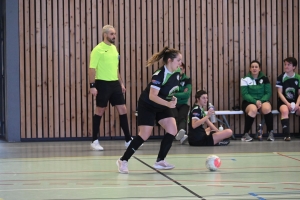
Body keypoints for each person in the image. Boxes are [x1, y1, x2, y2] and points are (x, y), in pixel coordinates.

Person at [116, 47, 182, 174]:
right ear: (169, 60)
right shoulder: (159, 75)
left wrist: (173, 99)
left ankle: (160, 161)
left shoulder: (177, 73)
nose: (180, 63)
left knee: (172, 129)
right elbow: (152, 96)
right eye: (178, 60)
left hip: (163, 105)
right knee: (144, 134)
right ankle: (123, 160)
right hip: (148, 105)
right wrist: (168, 104)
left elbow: (172, 90)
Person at [89, 25, 132, 151]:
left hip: (115, 84)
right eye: (112, 34)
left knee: (123, 109)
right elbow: (92, 69)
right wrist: (92, 86)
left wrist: (121, 83)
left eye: (115, 33)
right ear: (105, 35)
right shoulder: (97, 49)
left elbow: (115, 68)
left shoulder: (114, 48)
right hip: (102, 83)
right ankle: (94, 140)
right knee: (100, 111)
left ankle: (128, 139)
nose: (114, 36)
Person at [240, 60, 274, 142]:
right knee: (253, 109)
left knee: (267, 108)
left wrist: (260, 101)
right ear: (250, 69)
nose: (254, 68)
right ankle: (245, 134)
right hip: (249, 102)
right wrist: (255, 102)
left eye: (256, 67)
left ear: (259, 69)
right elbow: (245, 94)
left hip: (262, 101)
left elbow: (268, 93)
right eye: (252, 67)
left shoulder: (265, 79)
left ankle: (271, 133)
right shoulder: (245, 79)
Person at [276, 57, 300, 141]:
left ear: (294, 67)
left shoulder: (298, 77)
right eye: (285, 64)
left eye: (288, 65)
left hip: (295, 101)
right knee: (285, 111)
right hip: (284, 102)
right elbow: (279, 93)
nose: (286, 66)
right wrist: (287, 104)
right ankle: (287, 135)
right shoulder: (280, 77)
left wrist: (297, 104)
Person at [172, 62, 192, 145]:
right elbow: (169, 93)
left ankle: (181, 133)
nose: (179, 70)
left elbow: (187, 94)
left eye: (181, 68)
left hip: (183, 103)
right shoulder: (172, 79)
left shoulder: (187, 79)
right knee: (174, 117)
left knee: (182, 117)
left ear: (183, 70)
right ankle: (181, 136)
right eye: (177, 68)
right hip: (173, 103)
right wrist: (181, 93)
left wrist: (175, 94)